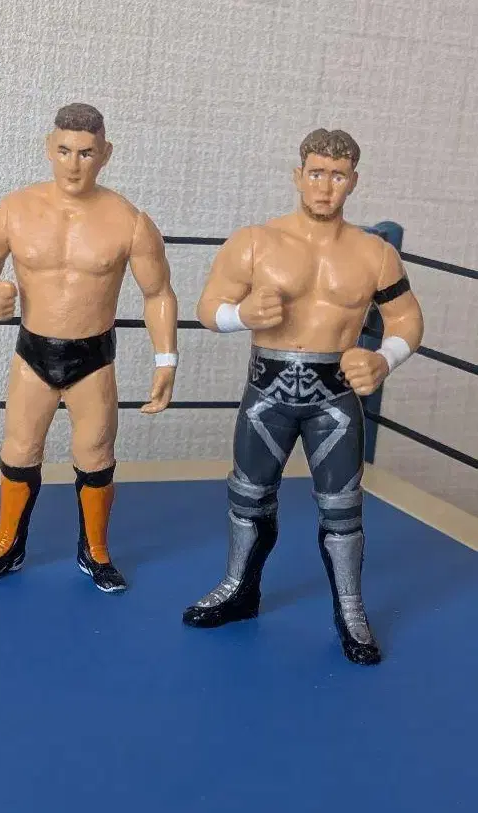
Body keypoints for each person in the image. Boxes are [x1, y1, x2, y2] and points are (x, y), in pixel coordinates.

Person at [181, 128, 424, 664]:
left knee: (343, 509)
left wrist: (384, 359)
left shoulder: (375, 253)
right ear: (298, 176)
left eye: (337, 176)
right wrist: (240, 315)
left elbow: (407, 319)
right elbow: (208, 307)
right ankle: (237, 587)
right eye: (316, 173)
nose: (325, 186)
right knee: (247, 496)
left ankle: (351, 608)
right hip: (266, 392)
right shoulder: (255, 241)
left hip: (334, 397)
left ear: (353, 181)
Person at [0, 102, 179, 592]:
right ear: (49, 148)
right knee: (20, 447)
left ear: (105, 153)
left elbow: (158, 293)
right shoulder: (15, 208)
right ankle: (6, 544)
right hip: (33, 352)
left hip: (92, 357)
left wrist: (166, 358)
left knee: (95, 453)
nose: (74, 164)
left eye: (86, 153)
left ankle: (95, 549)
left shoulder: (128, 220)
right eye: (64, 150)